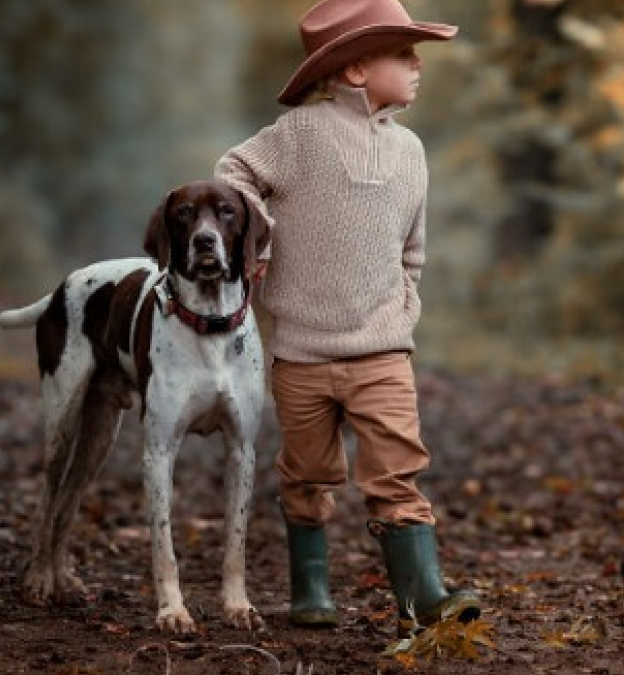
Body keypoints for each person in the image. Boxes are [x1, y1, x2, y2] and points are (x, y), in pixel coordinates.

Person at [214, 0, 480, 636]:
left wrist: (404, 305)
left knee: (397, 468)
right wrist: (260, 241)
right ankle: (310, 590)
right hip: (301, 354)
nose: (417, 65)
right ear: (356, 71)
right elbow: (231, 173)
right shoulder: (297, 136)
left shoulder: (411, 150)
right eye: (402, 54)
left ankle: (424, 596)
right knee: (304, 475)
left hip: (383, 352)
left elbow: (412, 249)